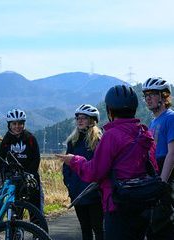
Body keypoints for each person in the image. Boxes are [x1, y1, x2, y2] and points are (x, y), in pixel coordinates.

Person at [56, 85, 158, 240]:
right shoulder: (144, 132)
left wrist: (74, 160)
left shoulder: (111, 136)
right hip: (144, 203)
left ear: (110, 111)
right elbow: (153, 167)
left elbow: (95, 171)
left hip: (118, 204)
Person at [63, 104, 104, 240]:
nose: (80, 121)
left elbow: (100, 167)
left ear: (92, 120)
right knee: (85, 230)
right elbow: (66, 167)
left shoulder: (98, 141)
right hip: (77, 193)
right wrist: (69, 184)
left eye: (84, 118)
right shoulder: (72, 142)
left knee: (99, 229)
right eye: (78, 118)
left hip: (94, 194)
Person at [142, 77, 174, 239]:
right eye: (146, 94)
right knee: (153, 228)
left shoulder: (171, 117)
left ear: (164, 96)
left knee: (165, 227)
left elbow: (172, 153)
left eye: (152, 94)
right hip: (155, 175)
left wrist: (162, 182)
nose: (148, 98)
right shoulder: (153, 122)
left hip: (167, 175)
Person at [0, 108, 43, 213]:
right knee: (16, 209)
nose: (17, 126)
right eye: (14, 124)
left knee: (35, 210)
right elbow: (1, 157)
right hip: (15, 179)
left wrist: (29, 173)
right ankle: (16, 229)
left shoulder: (30, 138)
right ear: (9, 125)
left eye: (20, 123)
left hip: (30, 178)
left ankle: (37, 229)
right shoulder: (7, 139)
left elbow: (36, 158)